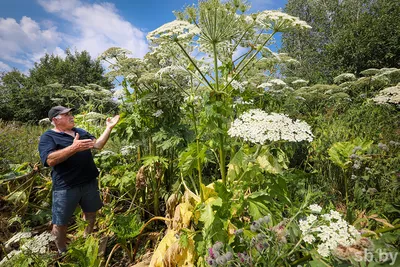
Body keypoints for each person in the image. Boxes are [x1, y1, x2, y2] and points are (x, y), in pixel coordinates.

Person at [38, 106, 119, 253]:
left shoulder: (79, 132)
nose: (71, 116)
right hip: (66, 187)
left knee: (91, 213)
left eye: (71, 113)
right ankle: (62, 250)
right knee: (60, 223)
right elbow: (49, 160)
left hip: (89, 183)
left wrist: (109, 127)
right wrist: (73, 148)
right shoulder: (48, 137)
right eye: (66, 115)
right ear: (55, 120)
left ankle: (86, 237)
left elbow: (98, 144)